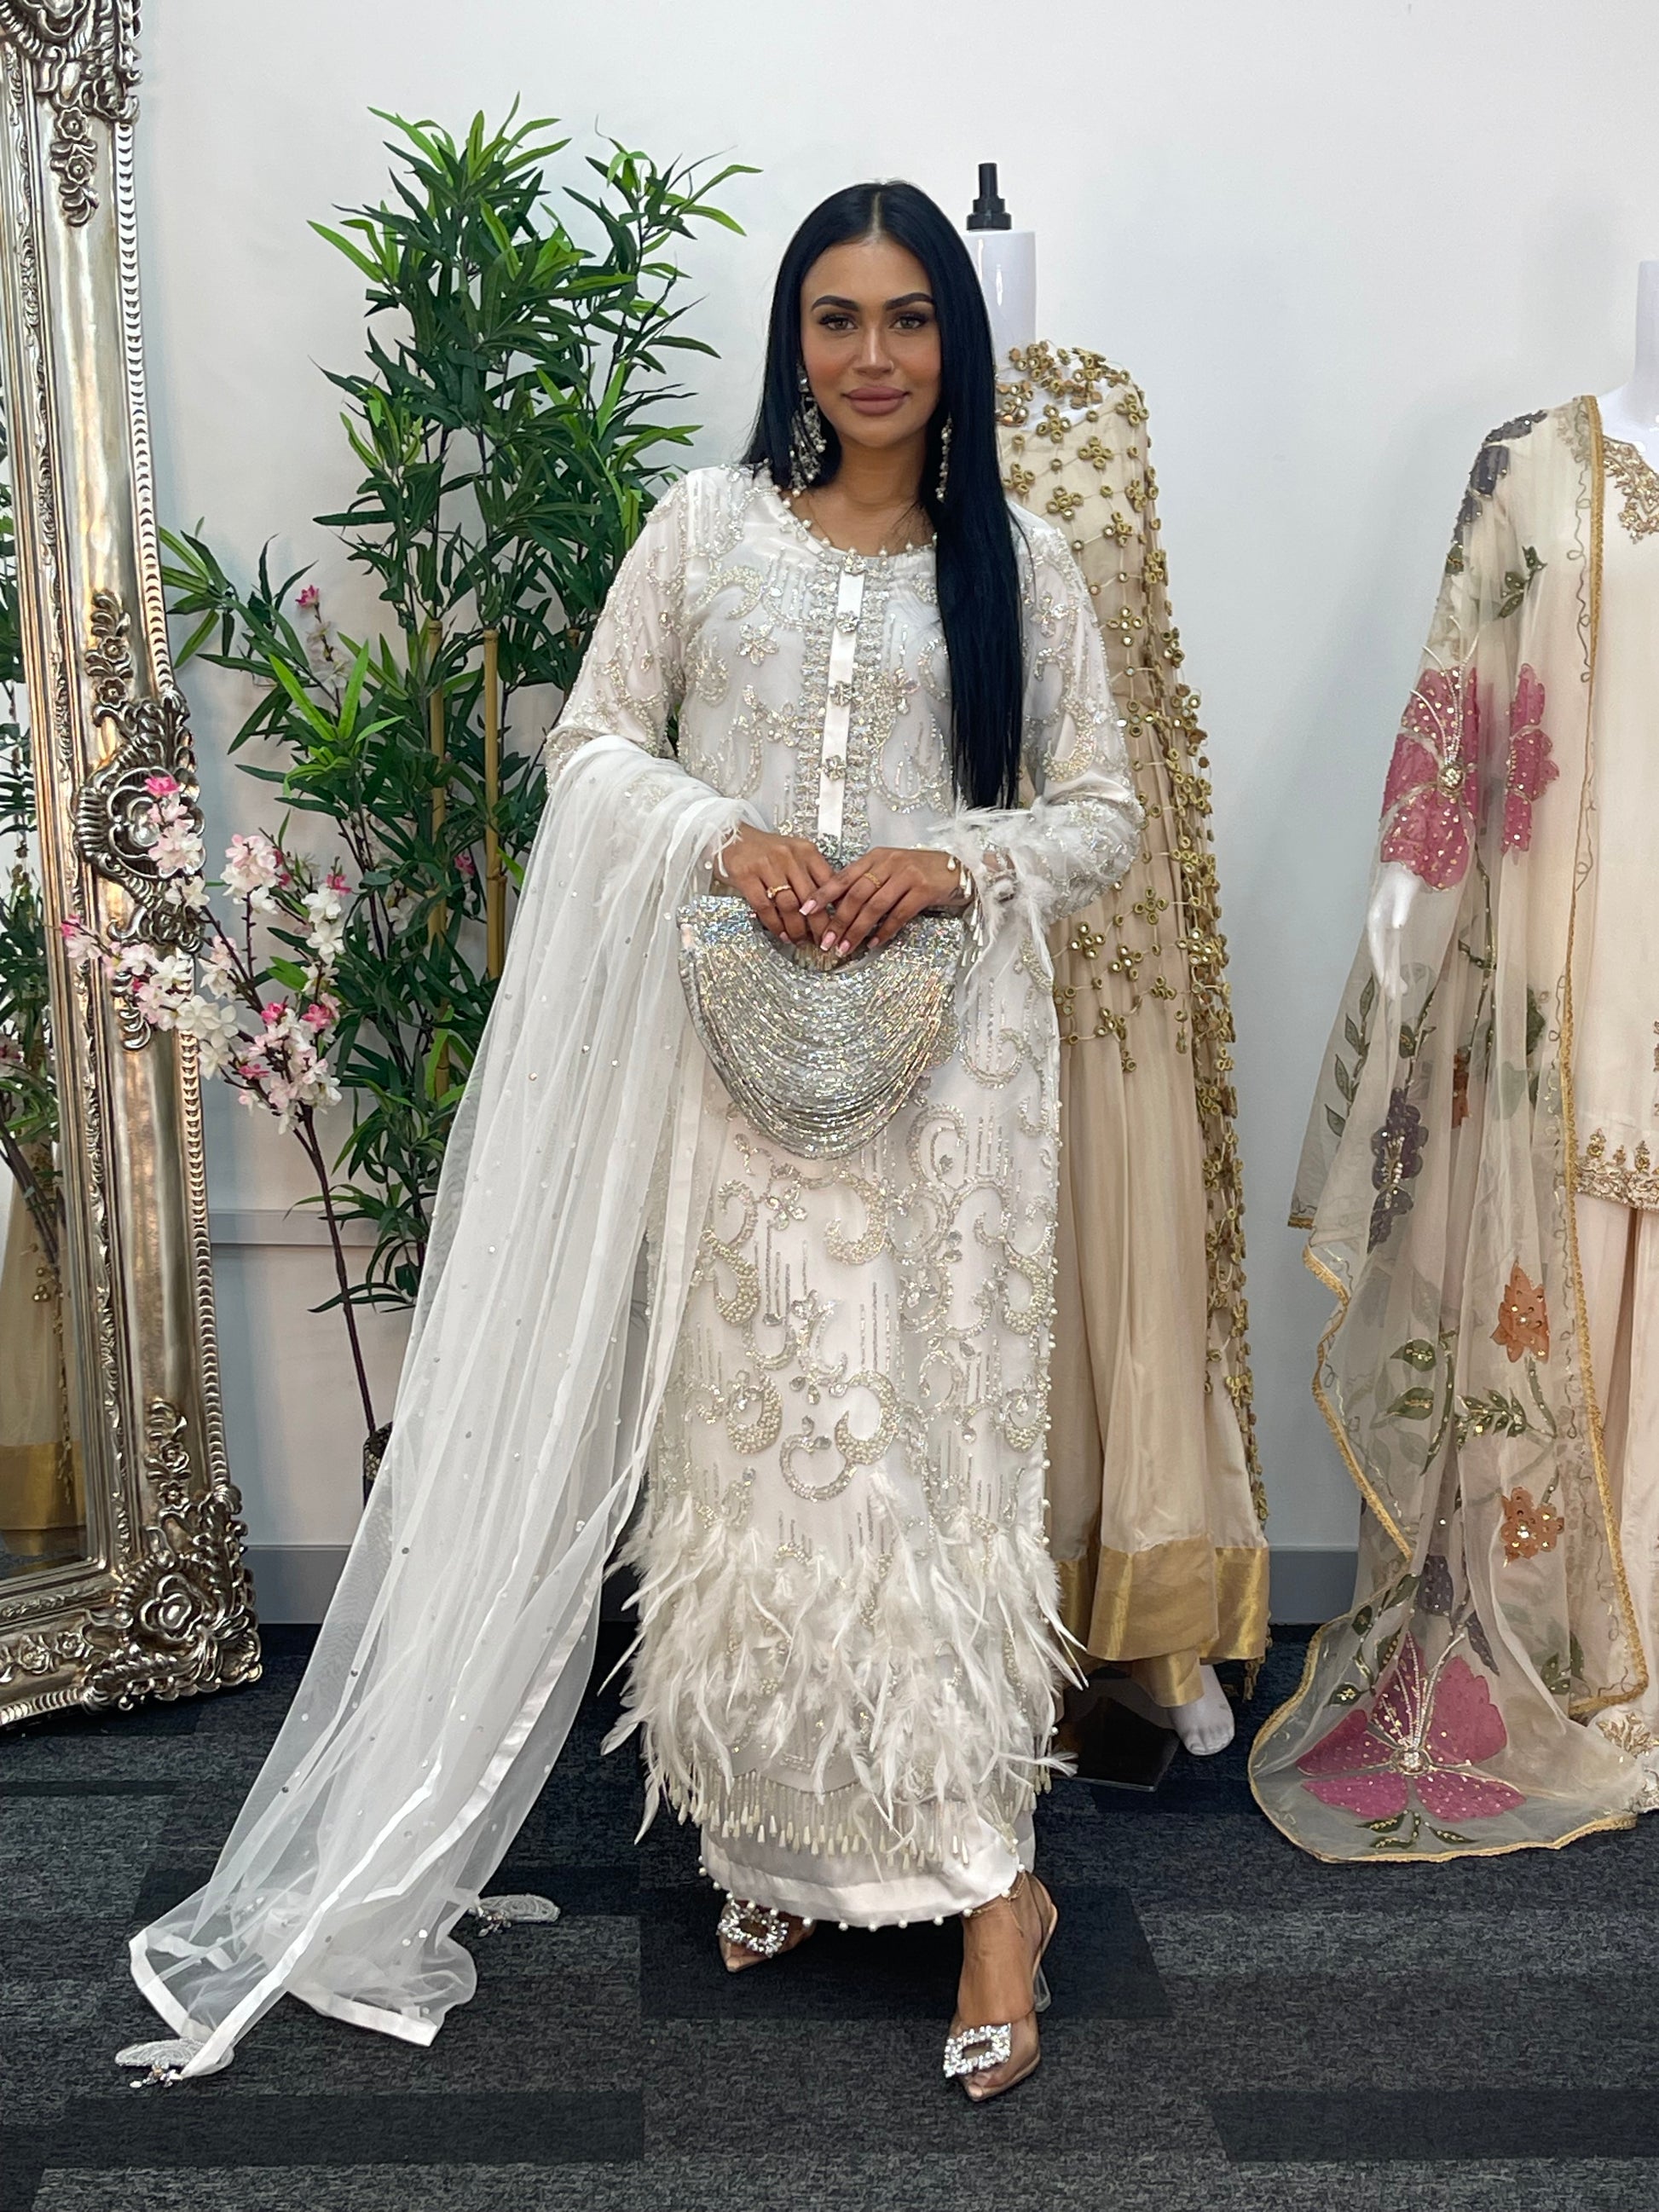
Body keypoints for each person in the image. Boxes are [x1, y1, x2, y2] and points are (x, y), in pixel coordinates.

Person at [125, 179, 1139, 2102]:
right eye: (835, 318)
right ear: (794, 338)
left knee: (934, 1455)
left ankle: (987, 1875)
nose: (871, 356)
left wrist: (951, 859)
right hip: (736, 1057)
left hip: (953, 1084)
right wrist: (717, 833)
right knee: (754, 1441)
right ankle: (786, 1841)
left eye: (909, 318)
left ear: (957, 342)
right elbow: (592, 745)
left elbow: (1101, 816)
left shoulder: (1026, 556)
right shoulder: (705, 529)